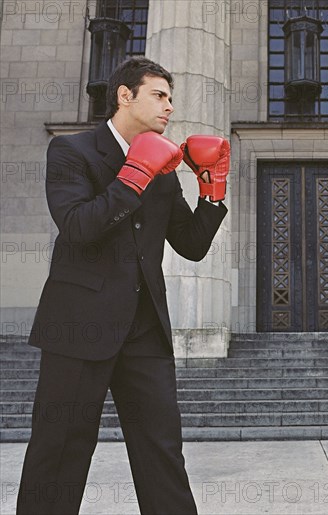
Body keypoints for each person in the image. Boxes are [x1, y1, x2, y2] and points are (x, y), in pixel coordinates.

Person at [17, 56, 230, 514]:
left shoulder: (166, 168)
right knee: (59, 450)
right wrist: (135, 174)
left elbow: (190, 245)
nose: (169, 107)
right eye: (159, 95)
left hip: (144, 331)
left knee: (162, 452)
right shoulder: (72, 152)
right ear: (125, 95)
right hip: (77, 327)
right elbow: (78, 227)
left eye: (171, 98)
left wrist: (212, 193)